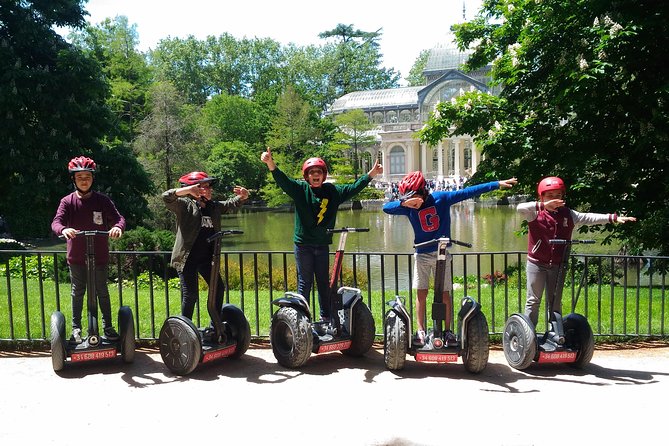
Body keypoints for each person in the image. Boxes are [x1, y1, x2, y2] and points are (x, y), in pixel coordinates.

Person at [383, 171, 517, 346]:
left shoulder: (442, 198)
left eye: (414, 196)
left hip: (442, 253)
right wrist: (404, 202)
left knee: (445, 293)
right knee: (421, 292)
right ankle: (420, 330)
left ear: (423, 191)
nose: (413, 201)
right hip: (421, 254)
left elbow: (468, 192)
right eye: (407, 198)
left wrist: (496, 183)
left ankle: (448, 331)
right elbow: (385, 208)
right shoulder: (407, 207)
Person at [260, 147, 383, 321]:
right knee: (305, 283)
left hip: (322, 245)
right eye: (311, 172)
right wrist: (270, 163)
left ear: (323, 175)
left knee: (324, 283)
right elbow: (283, 181)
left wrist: (371, 174)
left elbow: (353, 188)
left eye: (318, 172)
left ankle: (326, 318)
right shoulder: (301, 190)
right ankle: (302, 319)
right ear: (307, 176)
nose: (315, 175)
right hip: (303, 246)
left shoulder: (332, 192)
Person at [518, 176, 636, 327]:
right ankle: (529, 336)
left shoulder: (568, 214)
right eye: (550, 196)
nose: (554, 199)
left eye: (558, 195)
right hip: (537, 263)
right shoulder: (534, 213)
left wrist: (612, 218)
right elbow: (519, 208)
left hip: (557, 264)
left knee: (554, 302)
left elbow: (588, 217)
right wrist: (543, 205)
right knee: (533, 301)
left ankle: (554, 334)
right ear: (541, 196)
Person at [51, 156, 126, 343]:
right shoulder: (67, 202)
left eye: (87, 176)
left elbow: (119, 219)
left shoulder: (102, 201)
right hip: (76, 257)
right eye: (80, 177)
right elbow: (56, 222)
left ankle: (107, 327)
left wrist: (118, 227)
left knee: (102, 291)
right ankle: (76, 329)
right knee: (77, 292)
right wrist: (64, 229)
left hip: (99, 256)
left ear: (92, 178)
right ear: (74, 179)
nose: (84, 180)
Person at [163, 171, 249, 322]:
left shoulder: (213, 207)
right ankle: (185, 330)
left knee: (218, 289)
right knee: (190, 295)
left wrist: (243, 196)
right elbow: (167, 197)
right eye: (205, 187)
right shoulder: (185, 206)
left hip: (207, 259)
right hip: (187, 259)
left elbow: (230, 204)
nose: (210, 190)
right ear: (194, 189)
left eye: (209, 187)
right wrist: (187, 191)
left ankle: (214, 325)